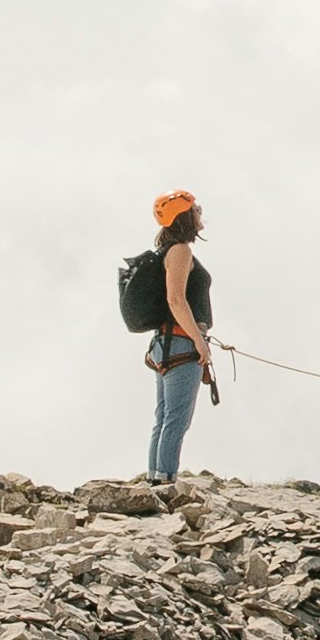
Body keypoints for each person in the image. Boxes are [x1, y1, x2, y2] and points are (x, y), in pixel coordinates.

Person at [141, 188, 219, 481]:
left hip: (166, 342)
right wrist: (199, 341)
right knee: (176, 419)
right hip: (181, 343)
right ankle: (164, 481)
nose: (200, 212)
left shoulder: (169, 251)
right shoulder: (181, 251)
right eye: (196, 208)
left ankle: (156, 477)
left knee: (164, 417)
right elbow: (176, 299)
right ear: (184, 216)